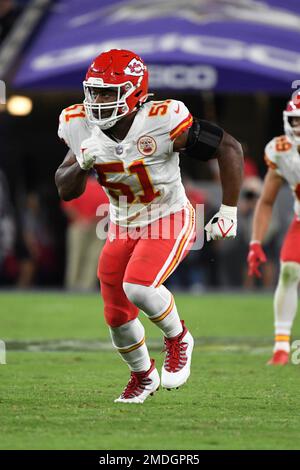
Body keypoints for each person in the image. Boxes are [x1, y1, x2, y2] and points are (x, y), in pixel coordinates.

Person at [55, 49, 243, 403]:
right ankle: (143, 378)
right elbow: (65, 189)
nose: (99, 100)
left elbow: (229, 148)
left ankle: (178, 337)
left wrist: (228, 211)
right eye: (95, 91)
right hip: (122, 223)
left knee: (138, 287)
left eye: (109, 92)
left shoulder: (162, 118)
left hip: (168, 215)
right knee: (115, 315)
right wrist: (82, 161)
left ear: (135, 92)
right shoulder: (79, 122)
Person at [247, 94, 300, 365]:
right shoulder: (281, 151)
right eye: (296, 121)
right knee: (289, 272)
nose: (299, 127)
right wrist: (256, 242)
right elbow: (266, 201)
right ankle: (281, 347)